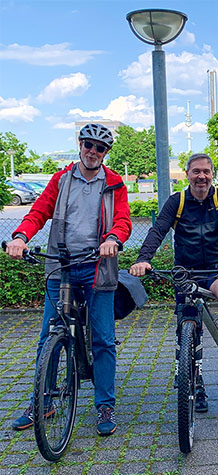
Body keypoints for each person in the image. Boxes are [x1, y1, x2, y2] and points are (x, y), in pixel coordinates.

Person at [6, 123, 132, 436]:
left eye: (99, 148)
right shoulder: (61, 179)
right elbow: (38, 212)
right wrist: (21, 237)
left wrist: (114, 238)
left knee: (103, 338)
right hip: (60, 267)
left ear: (106, 153)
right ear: (80, 144)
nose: (93, 151)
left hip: (97, 268)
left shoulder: (114, 183)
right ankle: (42, 402)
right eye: (88, 145)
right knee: (48, 335)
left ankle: (104, 404)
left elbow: (123, 220)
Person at [129, 153, 218, 412]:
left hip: (215, 269)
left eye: (206, 171)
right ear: (187, 175)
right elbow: (158, 230)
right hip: (185, 273)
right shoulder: (178, 201)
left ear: (212, 174)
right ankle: (195, 383)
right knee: (187, 329)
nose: (201, 176)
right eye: (196, 171)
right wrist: (143, 259)